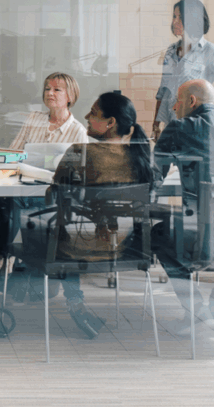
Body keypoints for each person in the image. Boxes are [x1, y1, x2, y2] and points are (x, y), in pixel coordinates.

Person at [42, 91, 160, 338]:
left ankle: (74, 302)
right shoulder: (142, 158)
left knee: (45, 230)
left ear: (110, 123)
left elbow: (54, 194)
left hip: (79, 249)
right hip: (129, 248)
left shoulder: (79, 152)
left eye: (93, 113)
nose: (85, 116)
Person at [0, 72, 89, 278]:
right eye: (47, 88)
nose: (50, 93)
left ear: (70, 96)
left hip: (52, 195)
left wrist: (48, 163)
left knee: (10, 205)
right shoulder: (34, 119)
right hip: (22, 187)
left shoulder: (77, 131)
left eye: (57, 89)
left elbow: (77, 173)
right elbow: (14, 153)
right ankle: (6, 253)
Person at [152, 78, 214, 333]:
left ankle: (195, 310)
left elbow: (153, 176)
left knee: (158, 234)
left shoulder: (180, 127)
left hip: (203, 234)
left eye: (177, 101)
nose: (174, 107)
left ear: (192, 102)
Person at [151, 0, 214, 142]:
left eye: (180, 17)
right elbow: (163, 91)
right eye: (174, 16)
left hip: (195, 131)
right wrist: (155, 125)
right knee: (160, 163)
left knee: (190, 164)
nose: (175, 21)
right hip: (170, 127)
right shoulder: (171, 51)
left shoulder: (212, 52)